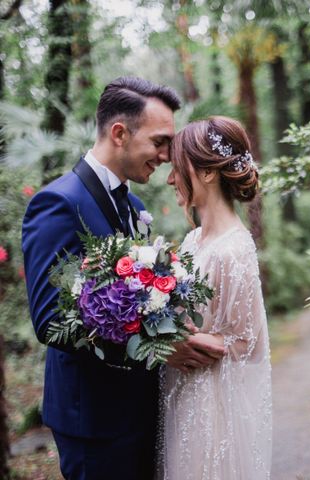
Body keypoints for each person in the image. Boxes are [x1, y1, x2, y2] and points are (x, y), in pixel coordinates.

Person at [22, 77, 224, 480]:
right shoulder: (58, 203)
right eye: (160, 142)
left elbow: (140, 300)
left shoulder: (134, 205)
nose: (168, 155)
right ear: (119, 133)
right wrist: (158, 348)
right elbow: (50, 323)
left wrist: (173, 327)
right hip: (93, 420)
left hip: (141, 409)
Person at [158, 116, 272, 479]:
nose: (170, 178)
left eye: (178, 168)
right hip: (183, 393)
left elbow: (246, 343)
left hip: (213, 407)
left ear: (207, 173)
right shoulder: (193, 242)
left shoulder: (234, 249)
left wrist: (171, 340)